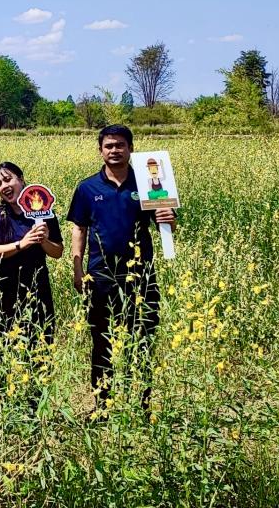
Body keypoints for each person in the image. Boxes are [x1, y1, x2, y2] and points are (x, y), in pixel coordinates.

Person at [66, 125, 177, 412]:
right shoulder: (87, 187)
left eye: (120, 145)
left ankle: (142, 404)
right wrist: (78, 269)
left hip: (141, 274)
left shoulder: (149, 183)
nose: (114, 151)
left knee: (143, 337)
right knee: (102, 339)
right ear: (100, 150)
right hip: (100, 274)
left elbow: (166, 225)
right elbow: (79, 228)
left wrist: (168, 218)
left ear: (130, 148)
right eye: (109, 146)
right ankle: (102, 405)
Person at [0, 162, 64, 411]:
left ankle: (35, 405)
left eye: (8, 180)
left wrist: (43, 238)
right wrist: (21, 243)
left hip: (37, 289)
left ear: (21, 178)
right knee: (4, 347)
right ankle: (7, 403)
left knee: (40, 346)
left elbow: (57, 252)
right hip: (3, 290)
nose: (5, 186)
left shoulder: (44, 212)